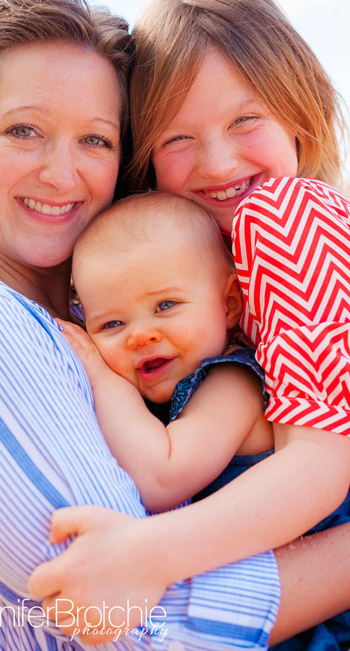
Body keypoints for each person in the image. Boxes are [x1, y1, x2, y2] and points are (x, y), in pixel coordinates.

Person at [0, 0, 350, 648]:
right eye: (23, 129)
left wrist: (149, 551)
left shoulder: (271, 236)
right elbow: (134, 620)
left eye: (95, 138)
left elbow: (314, 463)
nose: (63, 174)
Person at [61, 192, 274, 513]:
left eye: (165, 306)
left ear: (229, 303)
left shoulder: (233, 383)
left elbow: (162, 480)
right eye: (112, 324)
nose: (140, 336)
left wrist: (104, 380)